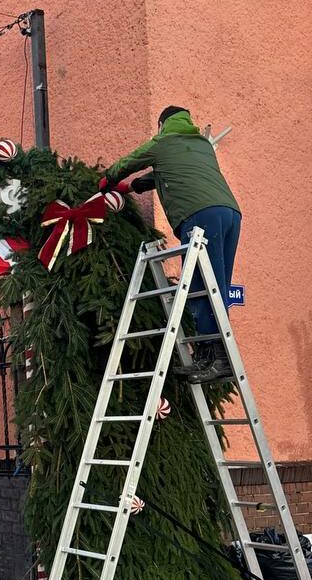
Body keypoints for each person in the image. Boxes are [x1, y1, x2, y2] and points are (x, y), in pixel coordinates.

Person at [99, 106, 242, 384]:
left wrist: (107, 180)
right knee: (218, 284)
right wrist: (134, 187)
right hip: (230, 214)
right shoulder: (200, 145)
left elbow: (132, 160)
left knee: (201, 285)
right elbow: (171, 172)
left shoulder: (163, 142)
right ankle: (206, 356)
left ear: (163, 124)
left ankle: (219, 359)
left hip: (199, 214)